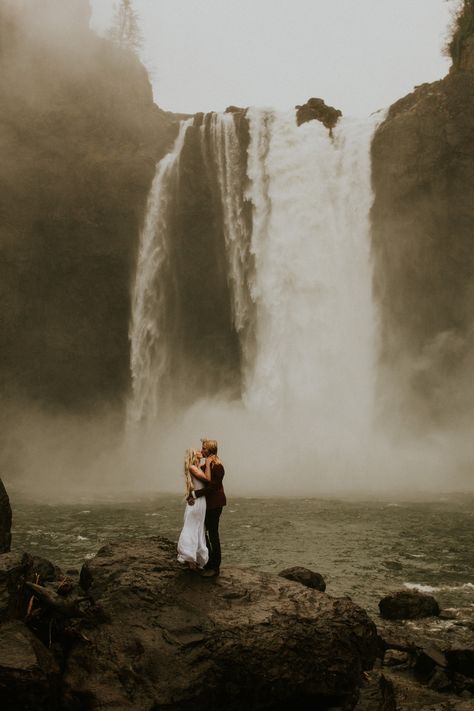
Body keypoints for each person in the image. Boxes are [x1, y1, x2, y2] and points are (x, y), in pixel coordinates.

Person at [188, 438, 226, 578]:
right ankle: (208, 561)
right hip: (207, 504)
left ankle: (215, 567)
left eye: (203, 448)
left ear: (210, 450)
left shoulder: (218, 466)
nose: (201, 450)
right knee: (203, 532)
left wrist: (195, 494)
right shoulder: (208, 465)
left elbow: (213, 487)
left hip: (215, 504)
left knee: (213, 534)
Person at [177, 449, 210, 570]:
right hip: (197, 502)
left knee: (198, 528)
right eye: (197, 450)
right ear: (193, 454)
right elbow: (207, 479)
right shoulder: (192, 467)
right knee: (192, 527)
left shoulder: (196, 467)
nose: (200, 450)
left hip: (200, 501)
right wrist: (207, 463)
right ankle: (190, 558)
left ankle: (193, 558)